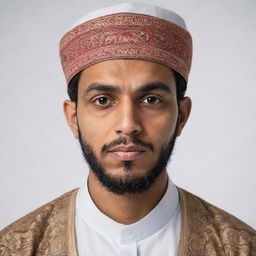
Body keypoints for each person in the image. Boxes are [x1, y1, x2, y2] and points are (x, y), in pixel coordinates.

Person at [0, 2, 255, 255]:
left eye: (151, 100)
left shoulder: (241, 248)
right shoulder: (13, 249)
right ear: (73, 118)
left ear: (182, 116)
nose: (128, 125)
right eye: (103, 101)